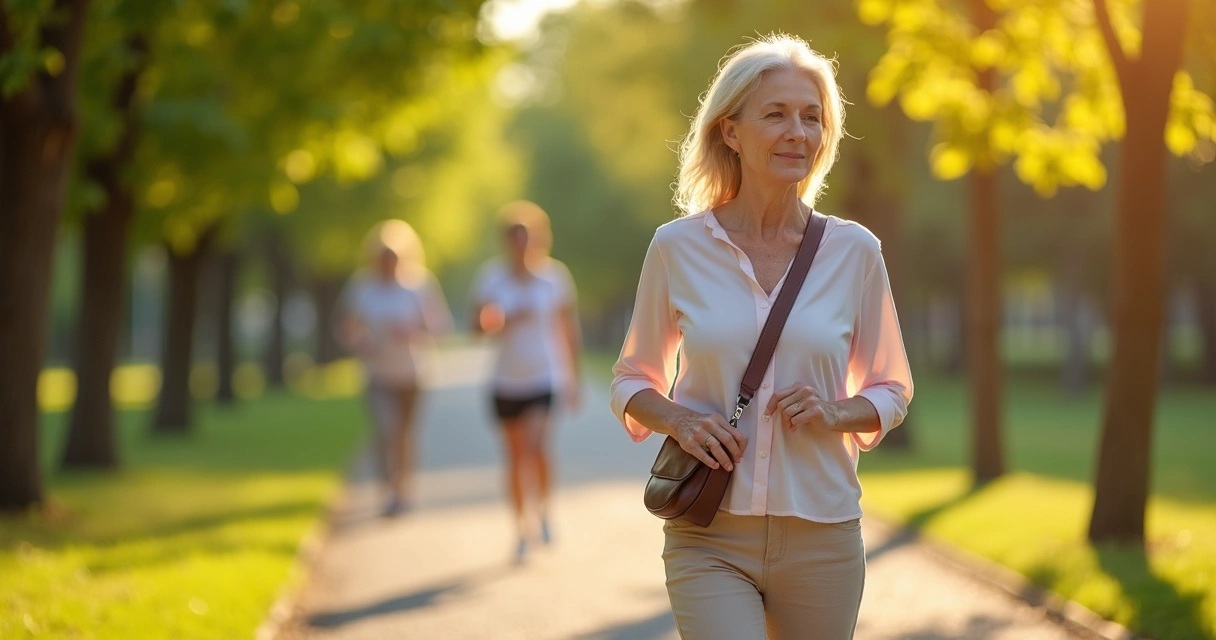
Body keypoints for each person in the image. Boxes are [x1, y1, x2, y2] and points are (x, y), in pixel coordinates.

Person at [610, 34, 913, 639]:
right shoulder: (677, 248)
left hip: (823, 535)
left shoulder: (855, 251)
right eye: (775, 114)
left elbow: (892, 389)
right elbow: (629, 380)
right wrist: (681, 420)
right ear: (730, 132)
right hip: (708, 532)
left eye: (811, 116)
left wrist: (833, 411)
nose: (797, 131)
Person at [471, 201, 583, 563]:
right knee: (515, 455)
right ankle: (521, 527)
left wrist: (574, 379)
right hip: (505, 380)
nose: (522, 245)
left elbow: (568, 330)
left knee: (536, 448)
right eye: (515, 238)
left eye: (528, 237)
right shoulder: (491, 278)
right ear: (506, 242)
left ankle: (545, 509)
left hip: (544, 377)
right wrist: (499, 321)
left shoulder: (555, 277)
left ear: (538, 239)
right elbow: (476, 327)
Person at [339, 220, 452, 517]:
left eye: (394, 256)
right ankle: (388, 490)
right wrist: (361, 341)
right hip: (377, 374)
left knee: (404, 434)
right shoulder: (362, 287)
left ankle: (403, 489)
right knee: (386, 431)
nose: (388, 263)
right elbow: (347, 326)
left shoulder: (420, 284)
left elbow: (441, 327)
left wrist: (411, 331)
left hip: (414, 373)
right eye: (383, 256)